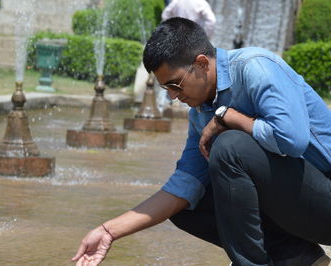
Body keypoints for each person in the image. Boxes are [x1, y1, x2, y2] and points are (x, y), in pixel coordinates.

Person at [72, 17, 331, 266]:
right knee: (187, 205)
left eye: (176, 85)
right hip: (299, 208)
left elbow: (292, 140)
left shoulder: (256, 67)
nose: (173, 96)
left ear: (202, 63)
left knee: (229, 147)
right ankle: (298, 258)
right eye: (166, 89)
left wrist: (228, 116)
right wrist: (109, 231)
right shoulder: (201, 112)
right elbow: (183, 185)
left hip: (325, 198)